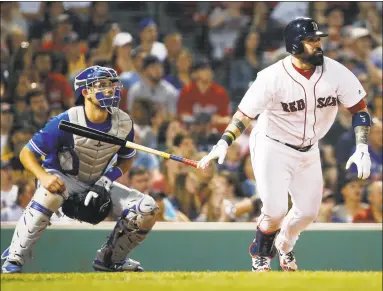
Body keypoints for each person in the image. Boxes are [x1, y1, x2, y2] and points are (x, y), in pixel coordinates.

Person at [198, 17, 372, 272]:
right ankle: (260, 253)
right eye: (311, 40)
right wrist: (224, 141)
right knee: (275, 209)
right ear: (294, 45)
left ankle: (285, 243)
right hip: (273, 145)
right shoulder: (271, 77)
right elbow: (244, 115)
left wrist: (362, 146)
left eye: (318, 39)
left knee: (309, 213)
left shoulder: (336, 71)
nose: (317, 45)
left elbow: (360, 110)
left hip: (309, 149)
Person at [1, 66, 158, 273]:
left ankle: (111, 260)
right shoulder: (66, 120)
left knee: (147, 208)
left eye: (112, 84)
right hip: (62, 178)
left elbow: (126, 160)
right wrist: (43, 176)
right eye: (102, 85)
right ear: (85, 92)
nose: (110, 90)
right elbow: (26, 153)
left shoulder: (124, 123)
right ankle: (13, 259)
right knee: (50, 195)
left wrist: (107, 180)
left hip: (98, 181)